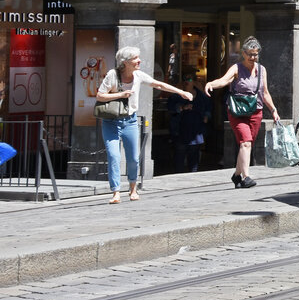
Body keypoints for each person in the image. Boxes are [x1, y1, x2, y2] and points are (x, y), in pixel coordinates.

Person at [96, 46, 192, 204]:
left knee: (133, 158)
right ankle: (116, 192)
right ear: (125, 62)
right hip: (111, 122)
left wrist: (181, 92)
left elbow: (159, 85)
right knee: (113, 156)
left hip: (130, 121)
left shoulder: (138, 75)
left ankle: (133, 188)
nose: (139, 60)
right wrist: (121, 94)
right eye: (135, 58)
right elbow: (100, 96)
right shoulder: (113, 75)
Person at [204, 37, 280, 188]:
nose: (252, 57)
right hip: (237, 112)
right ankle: (246, 177)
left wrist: (273, 110)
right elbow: (224, 80)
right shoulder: (236, 68)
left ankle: (236, 175)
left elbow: (265, 93)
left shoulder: (262, 70)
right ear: (243, 53)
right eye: (250, 54)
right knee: (245, 143)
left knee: (247, 144)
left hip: (256, 112)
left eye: (255, 54)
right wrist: (211, 84)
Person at [170, 71, 210, 172]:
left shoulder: (201, 96)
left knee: (194, 157)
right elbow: (170, 108)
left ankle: (193, 175)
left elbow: (208, 107)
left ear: (194, 82)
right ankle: (178, 176)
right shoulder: (177, 95)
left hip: (196, 130)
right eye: (184, 79)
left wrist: (206, 116)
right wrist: (182, 107)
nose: (186, 81)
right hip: (180, 131)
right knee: (179, 157)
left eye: (189, 79)